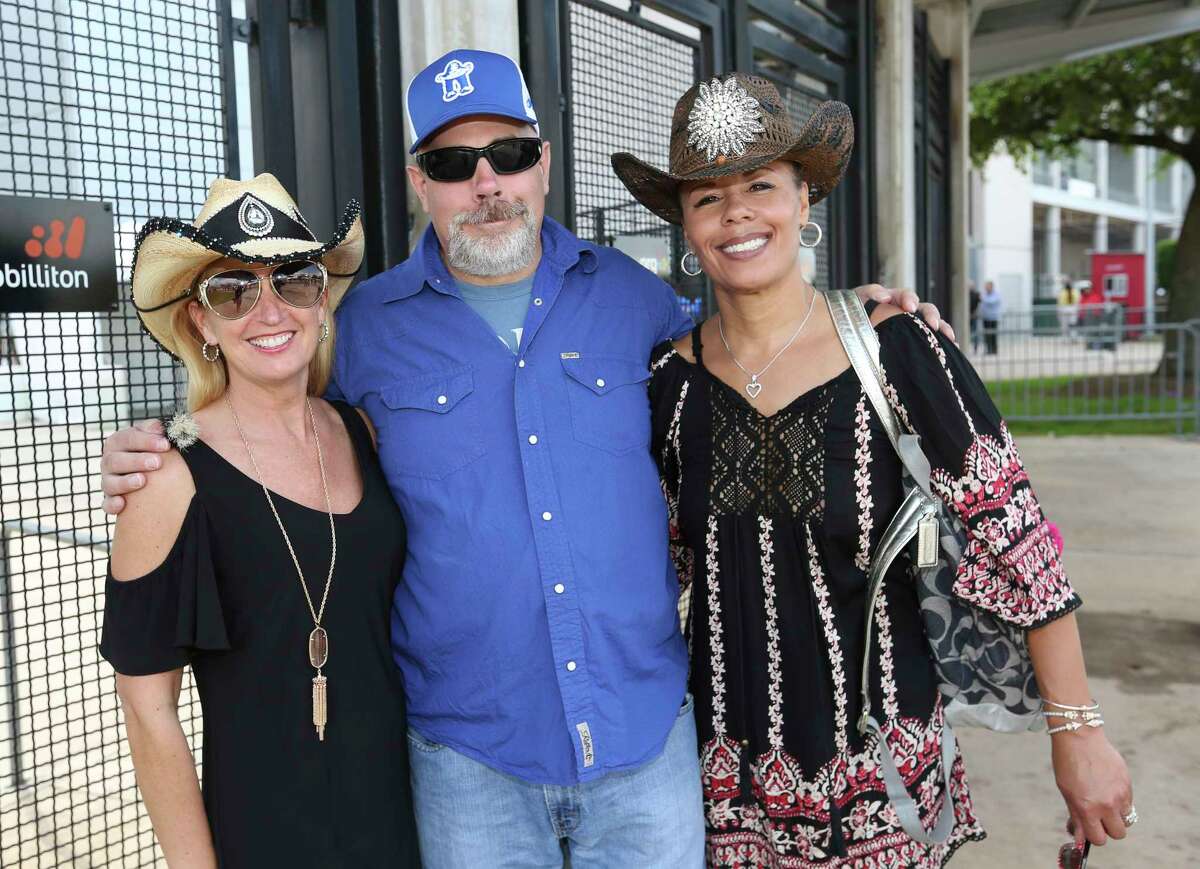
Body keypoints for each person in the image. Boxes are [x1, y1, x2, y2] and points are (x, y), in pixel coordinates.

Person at [100, 50, 946, 866]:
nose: (485, 182)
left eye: (507, 154)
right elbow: (271, 417)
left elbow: (750, 335)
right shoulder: (367, 330)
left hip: (642, 743)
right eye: (454, 161)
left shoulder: (634, 297)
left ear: (542, 164)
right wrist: (165, 442)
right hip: (468, 762)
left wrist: (848, 310)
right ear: (419, 180)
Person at [612, 73, 1133, 867]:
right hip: (720, 797)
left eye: (760, 185)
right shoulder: (667, 387)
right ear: (686, 227)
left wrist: (1079, 732)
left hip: (882, 787)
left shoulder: (898, 351)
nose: (738, 213)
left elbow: (1019, 543)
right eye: (708, 198)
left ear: (804, 204)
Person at [101, 175, 420, 866]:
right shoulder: (166, 469)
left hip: (396, 821)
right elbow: (147, 707)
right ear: (201, 322)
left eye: (294, 280)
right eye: (232, 290)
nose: (268, 309)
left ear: (322, 302)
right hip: (263, 836)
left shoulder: (360, 429)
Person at [979, 279, 1003, 355]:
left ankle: (994, 350)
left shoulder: (996, 294)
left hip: (993, 318)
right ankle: (988, 349)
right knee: (986, 335)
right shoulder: (985, 294)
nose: (986, 288)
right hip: (986, 317)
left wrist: (983, 299)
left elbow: (991, 301)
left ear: (991, 286)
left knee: (993, 335)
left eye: (987, 286)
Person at [968, 280, 981, 352]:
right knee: (970, 332)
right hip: (968, 317)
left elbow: (980, 303)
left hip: (973, 316)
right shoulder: (966, 294)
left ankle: (975, 347)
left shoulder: (976, 294)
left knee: (975, 332)